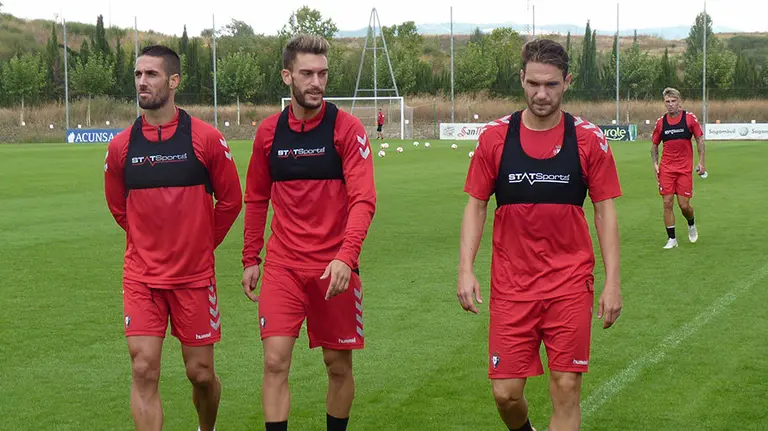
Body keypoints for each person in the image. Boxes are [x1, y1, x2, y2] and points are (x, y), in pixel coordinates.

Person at [457, 38, 623, 431]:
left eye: (551, 84)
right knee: (506, 394)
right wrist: (465, 269)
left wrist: (613, 282)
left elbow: (605, 212)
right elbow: (476, 205)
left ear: (567, 82)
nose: (541, 94)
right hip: (512, 286)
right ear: (521, 79)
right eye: (533, 83)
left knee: (566, 387)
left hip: (570, 283)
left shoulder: (588, 139)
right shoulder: (495, 138)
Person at [241, 34, 376, 431]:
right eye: (307, 74)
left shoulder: (346, 129)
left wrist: (346, 257)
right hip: (283, 266)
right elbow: (256, 198)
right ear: (287, 76)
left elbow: (364, 200)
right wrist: (251, 257)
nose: (317, 82)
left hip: (333, 268)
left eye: (322, 74)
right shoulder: (269, 133)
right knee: (274, 361)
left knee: (337, 366)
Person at [104, 44, 243, 431]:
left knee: (201, 374)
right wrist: (148, 242)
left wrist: (199, 243)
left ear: (174, 81)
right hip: (142, 277)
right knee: (143, 367)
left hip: (193, 278)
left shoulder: (206, 139)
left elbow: (231, 201)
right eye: (138, 74)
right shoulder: (121, 147)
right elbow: (118, 207)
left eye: (151, 74)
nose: (142, 81)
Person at [651, 87, 706, 249]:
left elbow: (700, 140)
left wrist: (701, 162)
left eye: (673, 101)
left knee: (684, 205)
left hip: (684, 169)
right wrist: (655, 164)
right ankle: (672, 239)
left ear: (679, 102)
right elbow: (654, 146)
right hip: (666, 169)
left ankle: (691, 223)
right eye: (667, 101)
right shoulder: (661, 123)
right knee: (667, 203)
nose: (670, 104)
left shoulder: (689, 119)